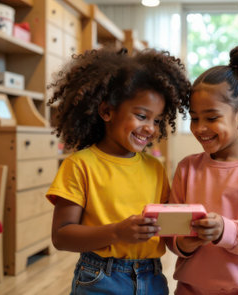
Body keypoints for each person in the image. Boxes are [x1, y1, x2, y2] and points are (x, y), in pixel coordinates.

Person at [45, 46, 190, 295]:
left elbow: (166, 232)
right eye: (142, 116)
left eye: (156, 120)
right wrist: (117, 232)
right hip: (100, 278)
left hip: (152, 277)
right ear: (106, 111)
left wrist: (193, 234)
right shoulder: (80, 165)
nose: (151, 128)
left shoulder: (155, 168)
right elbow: (61, 236)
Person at [167, 41, 238, 295]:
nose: (200, 128)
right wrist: (185, 243)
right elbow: (171, 234)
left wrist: (225, 230)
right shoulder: (187, 169)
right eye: (195, 118)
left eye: (211, 118)